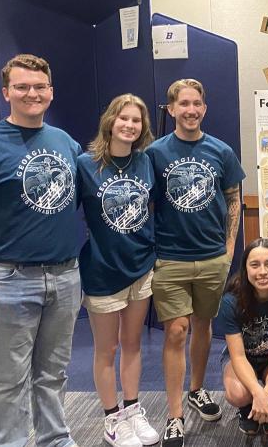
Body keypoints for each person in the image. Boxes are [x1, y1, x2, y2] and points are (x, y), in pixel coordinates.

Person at [0, 54, 82, 446]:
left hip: (64, 276)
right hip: (7, 279)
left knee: (53, 372)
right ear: (6, 92)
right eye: (22, 87)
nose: (31, 93)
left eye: (39, 87)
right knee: (8, 378)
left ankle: (54, 438)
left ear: (51, 93)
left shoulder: (64, 142)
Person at [146, 78, 245, 447]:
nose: (190, 110)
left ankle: (197, 389)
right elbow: (148, 204)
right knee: (176, 331)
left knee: (203, 326)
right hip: (169, 259)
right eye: (183, 104)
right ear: (171, 109)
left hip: (213, 258)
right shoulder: (155, 153)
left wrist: (230, 247)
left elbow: (234, 198)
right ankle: (174, 416)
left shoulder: (220, 151)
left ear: (204, 108)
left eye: (197, 104)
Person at [77, 94, 159, 447]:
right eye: (123, 118)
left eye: (136, 120)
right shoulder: (86, 165)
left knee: (133, 344)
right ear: (110, 121)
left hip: (141, 268)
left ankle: (132, 408)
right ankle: (111, 418)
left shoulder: (146, 162)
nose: (129, 125)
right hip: (102, 272)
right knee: (106, 349)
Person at [216, 238, 268, 436]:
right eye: (255, 265)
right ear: (245, 269)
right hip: (242, 357)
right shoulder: (231, 301)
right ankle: (247, 411)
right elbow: (237, 356)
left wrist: (266, 394)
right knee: (238, 394)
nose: (262, 271)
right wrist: (256, 392)